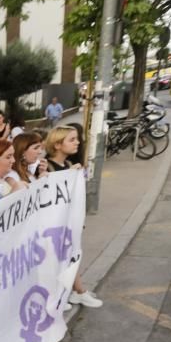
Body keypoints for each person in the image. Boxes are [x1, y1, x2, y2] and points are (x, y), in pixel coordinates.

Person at [43, 128, 103, 309]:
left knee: (72, 255)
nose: (77, 142)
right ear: (57, 144)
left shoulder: (69, 165)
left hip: (69, 222)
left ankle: (76, 291)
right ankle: (75, 292)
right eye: (72, 139)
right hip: (53, 225)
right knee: (61, 258)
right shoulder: (47, 167)